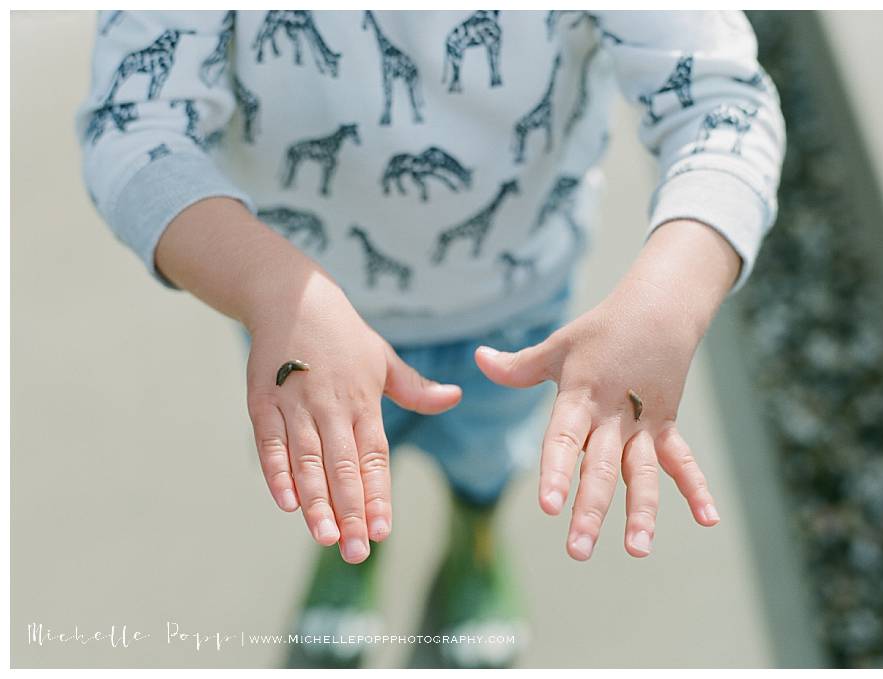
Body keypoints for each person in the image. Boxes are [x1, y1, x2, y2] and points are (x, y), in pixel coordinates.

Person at [75, 10, 786, 668]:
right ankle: (355, 541)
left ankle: (474, 536)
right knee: (335, 460)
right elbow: (131, 122)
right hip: (301, 324)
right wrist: (268, 289)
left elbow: (724, 103)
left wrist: (669, 304)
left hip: (517, 308)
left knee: (490, 449)